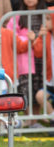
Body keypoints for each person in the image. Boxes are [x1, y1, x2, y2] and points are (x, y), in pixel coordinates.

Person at [6, 0, 47, 128]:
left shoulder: (45, 14)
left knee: (38, 86)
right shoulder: (17, 16)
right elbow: (11, 35)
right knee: (25, 88)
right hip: (25, 59)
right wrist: (28, 40)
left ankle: (35, 118)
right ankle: (29, 119)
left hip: (42, 58)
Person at [33, 7, 54, 135]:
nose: (44, 22)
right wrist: (40, 37)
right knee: (40, 96)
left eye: (48, 19)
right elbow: (38, 52)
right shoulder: (46, 36)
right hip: (51, 82)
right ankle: (53, 118)